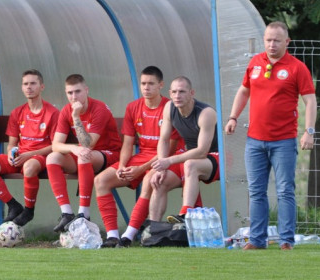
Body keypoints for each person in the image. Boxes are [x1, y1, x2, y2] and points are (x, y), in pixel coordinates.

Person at [225, 21, 317, 250]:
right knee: (256, 192)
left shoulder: (297, 68)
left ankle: (286, 240)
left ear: (287, 42)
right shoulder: (255, 62)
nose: (272, 44)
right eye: (268, 40)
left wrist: (309, 131)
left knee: (285, 190)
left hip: (283, 141)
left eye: (277, 40)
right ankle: (257, 241)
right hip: (254, 140)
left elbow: (310, 100)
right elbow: (244, 90)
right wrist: (233, 117)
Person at [115, 75, 219, 247]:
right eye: (175, 92)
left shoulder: (205, 113)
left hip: (215, 156)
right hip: (189, 156)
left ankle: (184, 214)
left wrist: (168, 161)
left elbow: (202, 151)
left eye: (182, 92)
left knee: (190, 164)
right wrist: (161, 168)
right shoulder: (169, 107)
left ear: (192, 93)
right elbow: (163, 140)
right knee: (158, 180)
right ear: (169, 93)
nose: (178, 96)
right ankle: (153, 232)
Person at [94, 66, 168, 247]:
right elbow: (127, 143)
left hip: (163, 158)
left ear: (161, 85)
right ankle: (112, 235)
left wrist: (141, 170)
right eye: (143, 83)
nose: (146, 88)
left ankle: (128, 235)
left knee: (150, 180)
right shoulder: (133, 107)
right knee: (100, 181)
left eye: (151, 84)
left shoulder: (168, 107)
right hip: (141, 157)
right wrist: (121, 166)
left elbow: (168, 149)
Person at [0, 70, 59, 227]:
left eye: (33, 83)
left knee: (29, 167)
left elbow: (55, 146)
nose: (29, 87)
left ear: (42, 87)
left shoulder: (52, 113)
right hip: (20, 156)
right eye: (25, 84)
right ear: (22, 87)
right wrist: (10, 153)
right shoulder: (17, 112)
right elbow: (12, 143)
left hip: (38, 157)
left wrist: (30, 154)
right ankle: (13, 205)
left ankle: (29, 210)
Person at [45, 74, 122, 232]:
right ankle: (66, 212)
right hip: (85, 154)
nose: (74, 97)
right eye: (70, 93)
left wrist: (75, 117)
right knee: (53, 158)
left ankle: (83, 213)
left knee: (83, 155)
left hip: (110, 154)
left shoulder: (99, 108)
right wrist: (73, 148)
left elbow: (88, 143)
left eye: (78, 91)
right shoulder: (66, 110)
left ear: (86, 90)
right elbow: (56, 145)